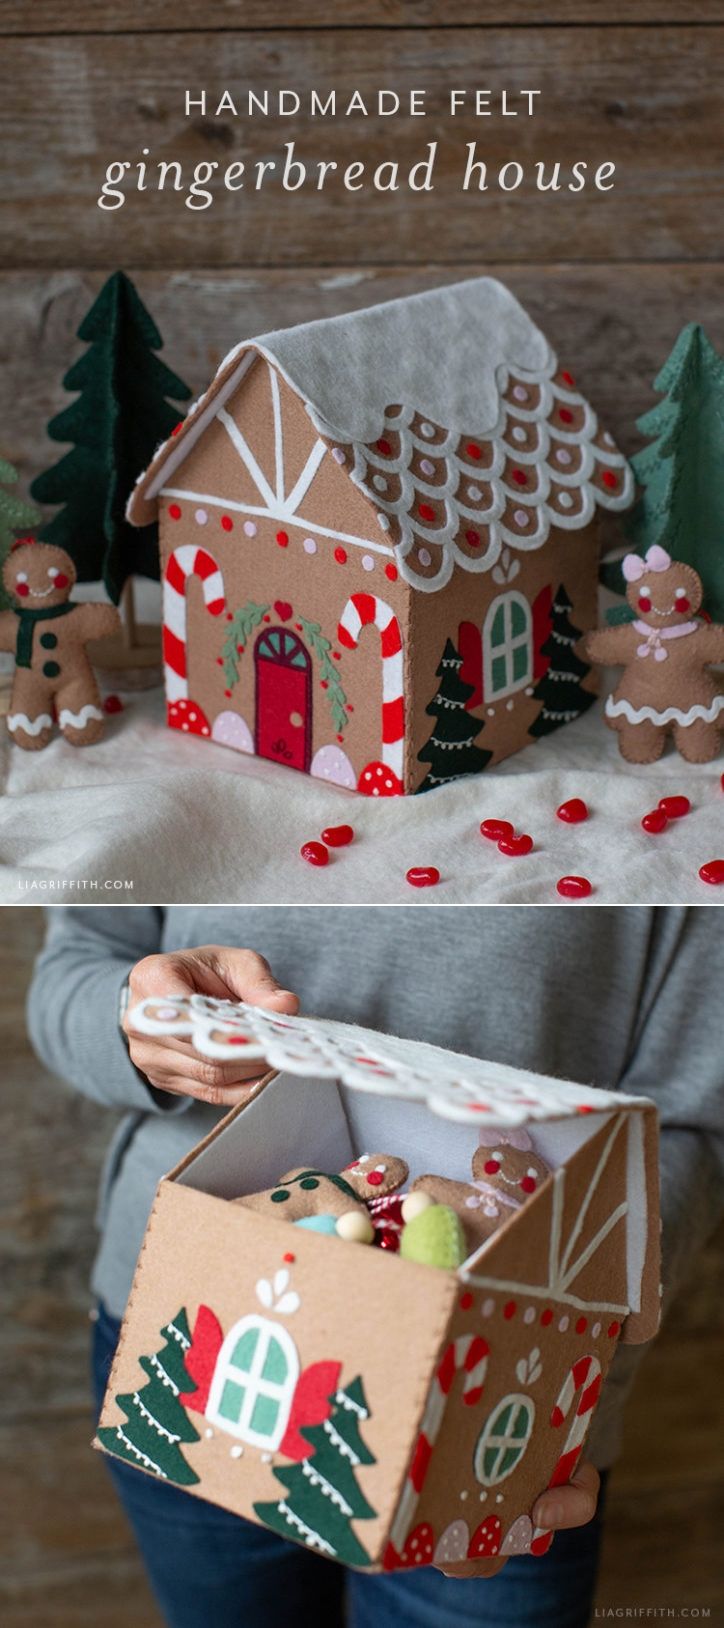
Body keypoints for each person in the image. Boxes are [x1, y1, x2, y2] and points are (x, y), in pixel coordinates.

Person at [28, 906, 724, 1628]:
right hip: (189, 1326)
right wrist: (141, 1024)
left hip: (502, 1380)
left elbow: (699, 1118)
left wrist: (571, 1304)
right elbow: (69, 978)